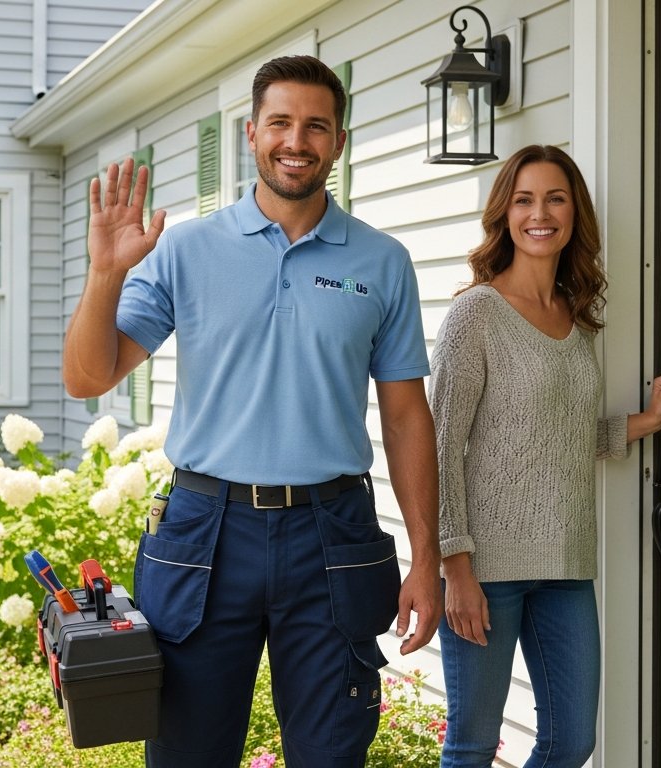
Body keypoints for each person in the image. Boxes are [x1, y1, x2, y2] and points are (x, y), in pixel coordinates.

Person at [63, 55, 442, 767]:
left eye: (315, 126)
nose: (295, 140)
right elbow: (88, 376)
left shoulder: (382, 261)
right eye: (280, 123)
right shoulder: (186, 249)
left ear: (339, 140)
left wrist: (427, 557)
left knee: (333, 755)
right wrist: (107, 272)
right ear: (250, 133)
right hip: (205, 533)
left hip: (334, 535)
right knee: (187, 754)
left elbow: (406, 418)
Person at [430, 144, 661, 768]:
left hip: (566, 563)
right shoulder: (477, 314)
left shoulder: (574, 319)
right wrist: (455, 567)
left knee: (572, 742)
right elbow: (439, 447)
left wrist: (644, 422)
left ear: (574, 213)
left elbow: (556, 436)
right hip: (485, 567)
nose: (539, 213)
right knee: (470, 748)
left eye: (554, 198)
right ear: (504, 215)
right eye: (523, 200)